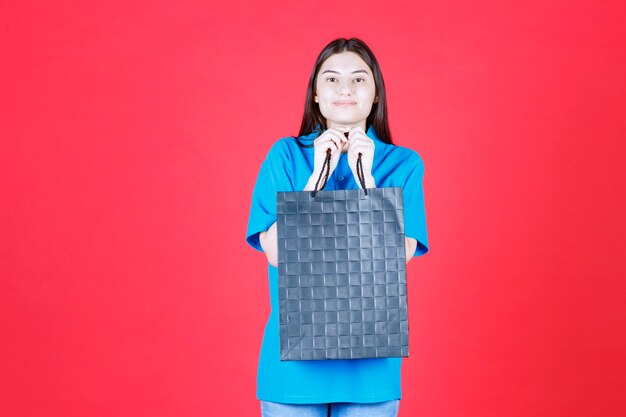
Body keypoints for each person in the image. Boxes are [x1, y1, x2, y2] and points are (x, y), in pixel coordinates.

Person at [246, 37, 429, 417]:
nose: (345, 89)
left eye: (359, 79)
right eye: (331, 79)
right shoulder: (286, 156)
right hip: (291, 368)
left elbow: (396, 260)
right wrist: (316, 179)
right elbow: (278, 254)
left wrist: (368, 183)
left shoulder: (403, 164)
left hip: (371, 370)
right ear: (315, 95)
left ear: (376, 94)